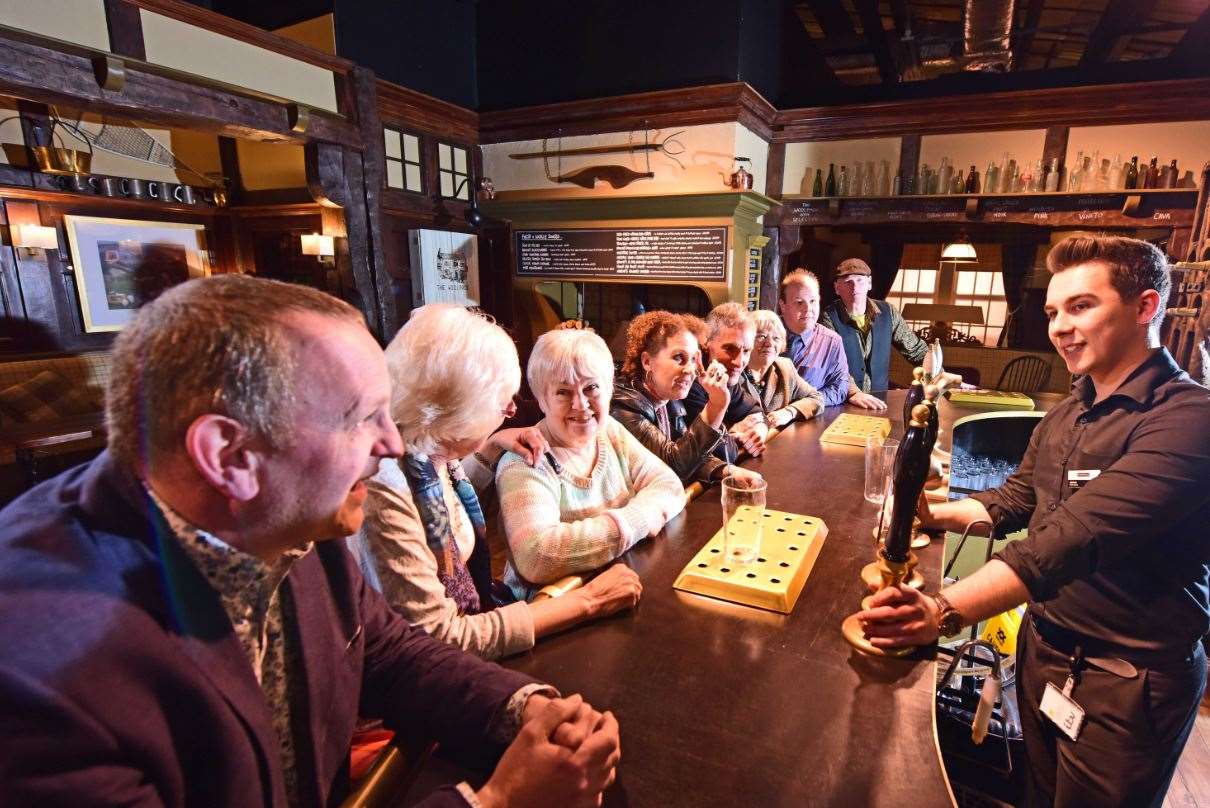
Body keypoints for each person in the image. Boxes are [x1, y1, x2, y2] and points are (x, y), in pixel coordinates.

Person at [0, 276, 621, 808]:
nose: (393, 445)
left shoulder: (288, 515)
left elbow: (391, 652)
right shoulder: (43, 682)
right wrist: (500, 801)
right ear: (229, 455)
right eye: (360, 419)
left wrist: (526, 708)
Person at [858, 235, 1210, 807]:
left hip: (1126, 682)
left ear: (1145, 307)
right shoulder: (1071, 410)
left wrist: (941, 611)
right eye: (1052, 311)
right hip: (1044, 650)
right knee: (1037, 796)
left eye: (1081, 306)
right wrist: (920, 511)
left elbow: (1070, 540)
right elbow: (1013, 501)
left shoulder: (1188, 420)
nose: (1060, 327)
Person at [353, 304, 642, 661]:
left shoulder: (435, 457)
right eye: (501, 402)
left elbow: (449, 506)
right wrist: (588, 601)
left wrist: (488, 446)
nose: (509, 411)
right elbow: (437, 639)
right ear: (456, 408)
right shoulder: (386, 486)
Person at [497, 327, 686, 600]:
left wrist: (612, 533)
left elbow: (669, 485)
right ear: (541, 398)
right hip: (551, 615)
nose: (581, 404)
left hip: (618, 587)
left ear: (608, 388)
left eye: (591, 388)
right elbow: (538, 557)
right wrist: (637, 521)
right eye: (563, 392)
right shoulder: (525, 460)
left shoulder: (608, 431)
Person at [611, 310, 761, 485]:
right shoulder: (623, 405)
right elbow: (673, 465)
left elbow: (689, 452)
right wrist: (716, 406)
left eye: (692, 359)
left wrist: (726, 470)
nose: (690, 370)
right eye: (678, 358)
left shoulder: (667, 398)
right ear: (647, 361)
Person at [819, 257, 928, 410]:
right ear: (837, 288)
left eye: (860, 280)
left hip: (879, 402)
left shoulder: (888, 312)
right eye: (848, 281)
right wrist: (853, 392)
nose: (855, 286)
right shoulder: (827, 317)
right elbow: (832, 364)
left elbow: (916, 350)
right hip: (843, 401)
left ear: (869, 283)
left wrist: (939, 372)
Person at [682, 301, 771, 457]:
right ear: (706, 344)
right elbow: (720, 451)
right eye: (730, 349)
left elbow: (757, 412)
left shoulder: (724, 376)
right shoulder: (689, 382)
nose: (739, 361)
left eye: (747, 351)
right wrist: (733, 436)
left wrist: (758, 431)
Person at [777, 269, 850, 406]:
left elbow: (839, 388)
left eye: (813, 301)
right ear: (783, 305)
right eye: (799, 302)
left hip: (807, 420)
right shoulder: (763, 334)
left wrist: (803, 406)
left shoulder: (832, 342)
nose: (808, 309)